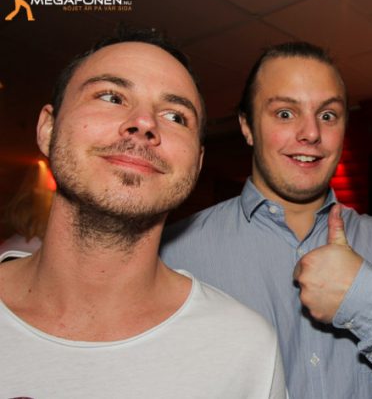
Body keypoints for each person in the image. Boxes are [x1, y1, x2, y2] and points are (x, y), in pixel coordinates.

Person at [161, 42, 372, 398]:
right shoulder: (176, 252)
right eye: (285, 113)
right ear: (247, 126)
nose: (311, 133)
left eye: (327, 116)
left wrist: (364, 297)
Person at [0, 27, 286, 398]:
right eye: (111, 96)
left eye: (176, 116)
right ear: (48, 129)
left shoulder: (245, 348)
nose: (145, 122)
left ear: (197, 163)